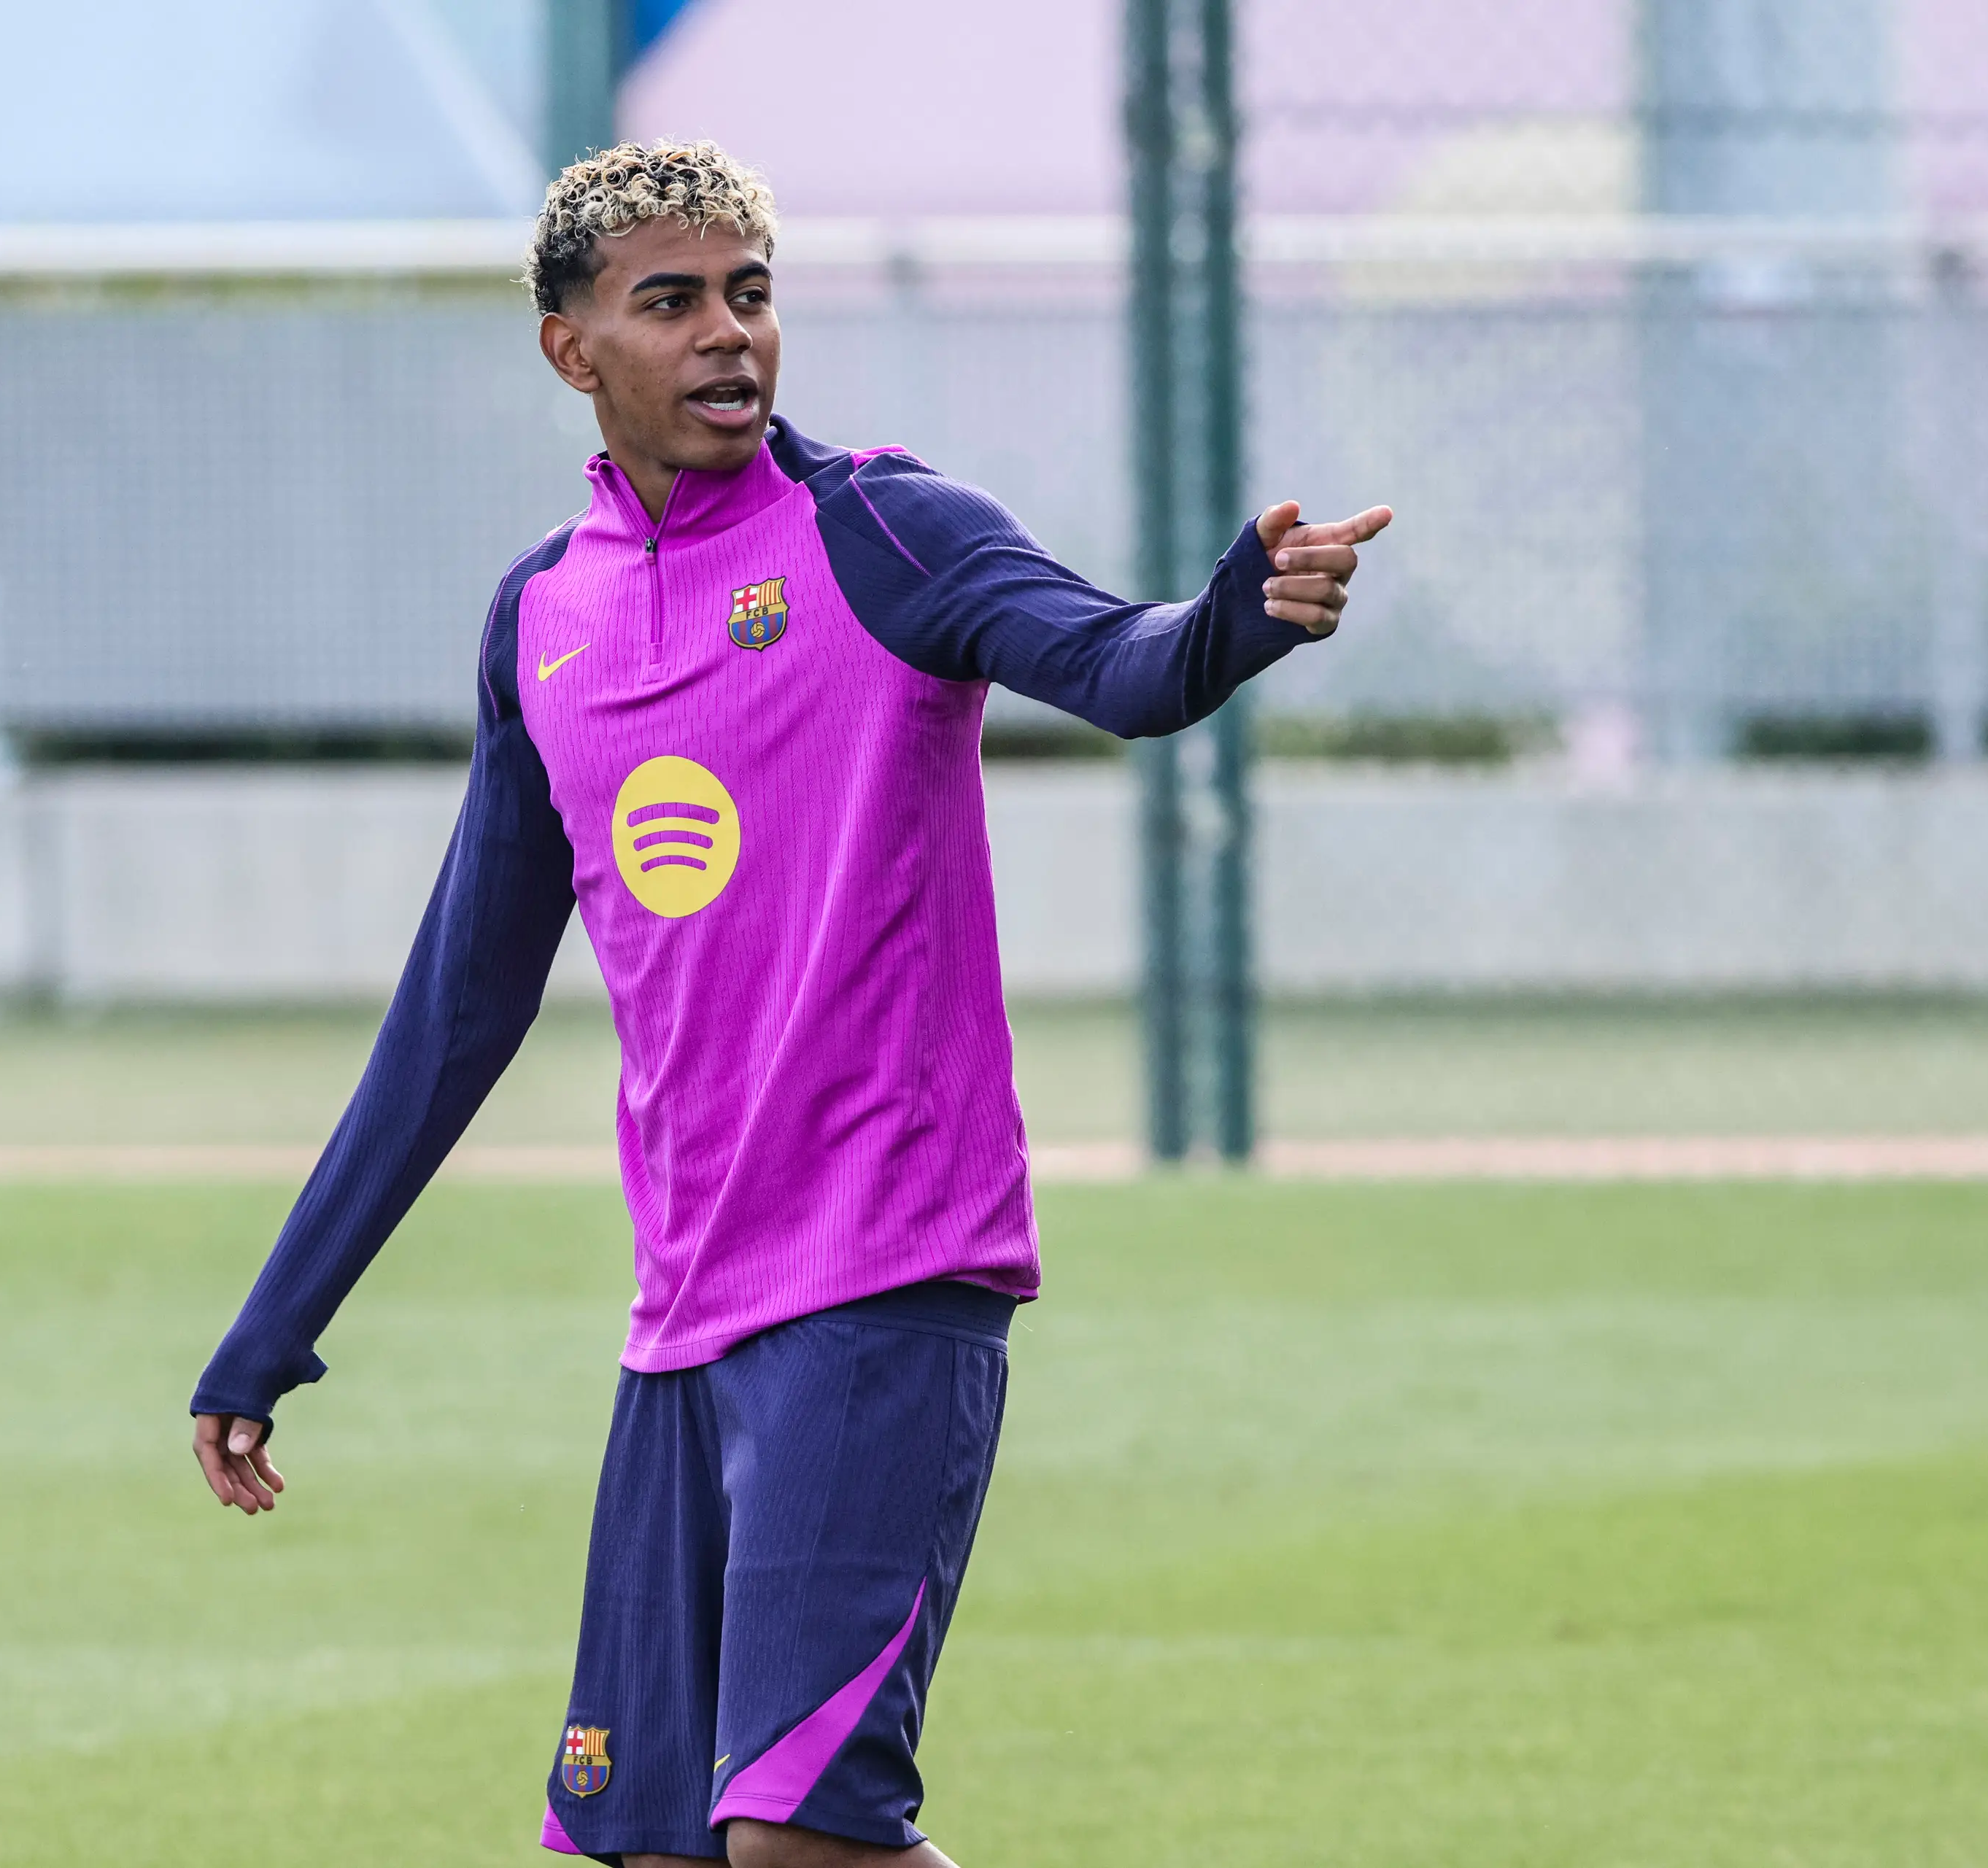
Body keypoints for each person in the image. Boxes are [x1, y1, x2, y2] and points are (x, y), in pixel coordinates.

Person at [190, 139, 1390, 1868]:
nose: (727, 334)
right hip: (683, 1318)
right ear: (571, 347)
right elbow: (457, 1009)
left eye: (749, 295)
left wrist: (1235, 618)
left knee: (800, 1842)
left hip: (886, 1276)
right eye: (671, 301)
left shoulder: (882, 532)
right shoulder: (542, 619)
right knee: (649, 1850)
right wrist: (278, 1316)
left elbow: (1122, 665)